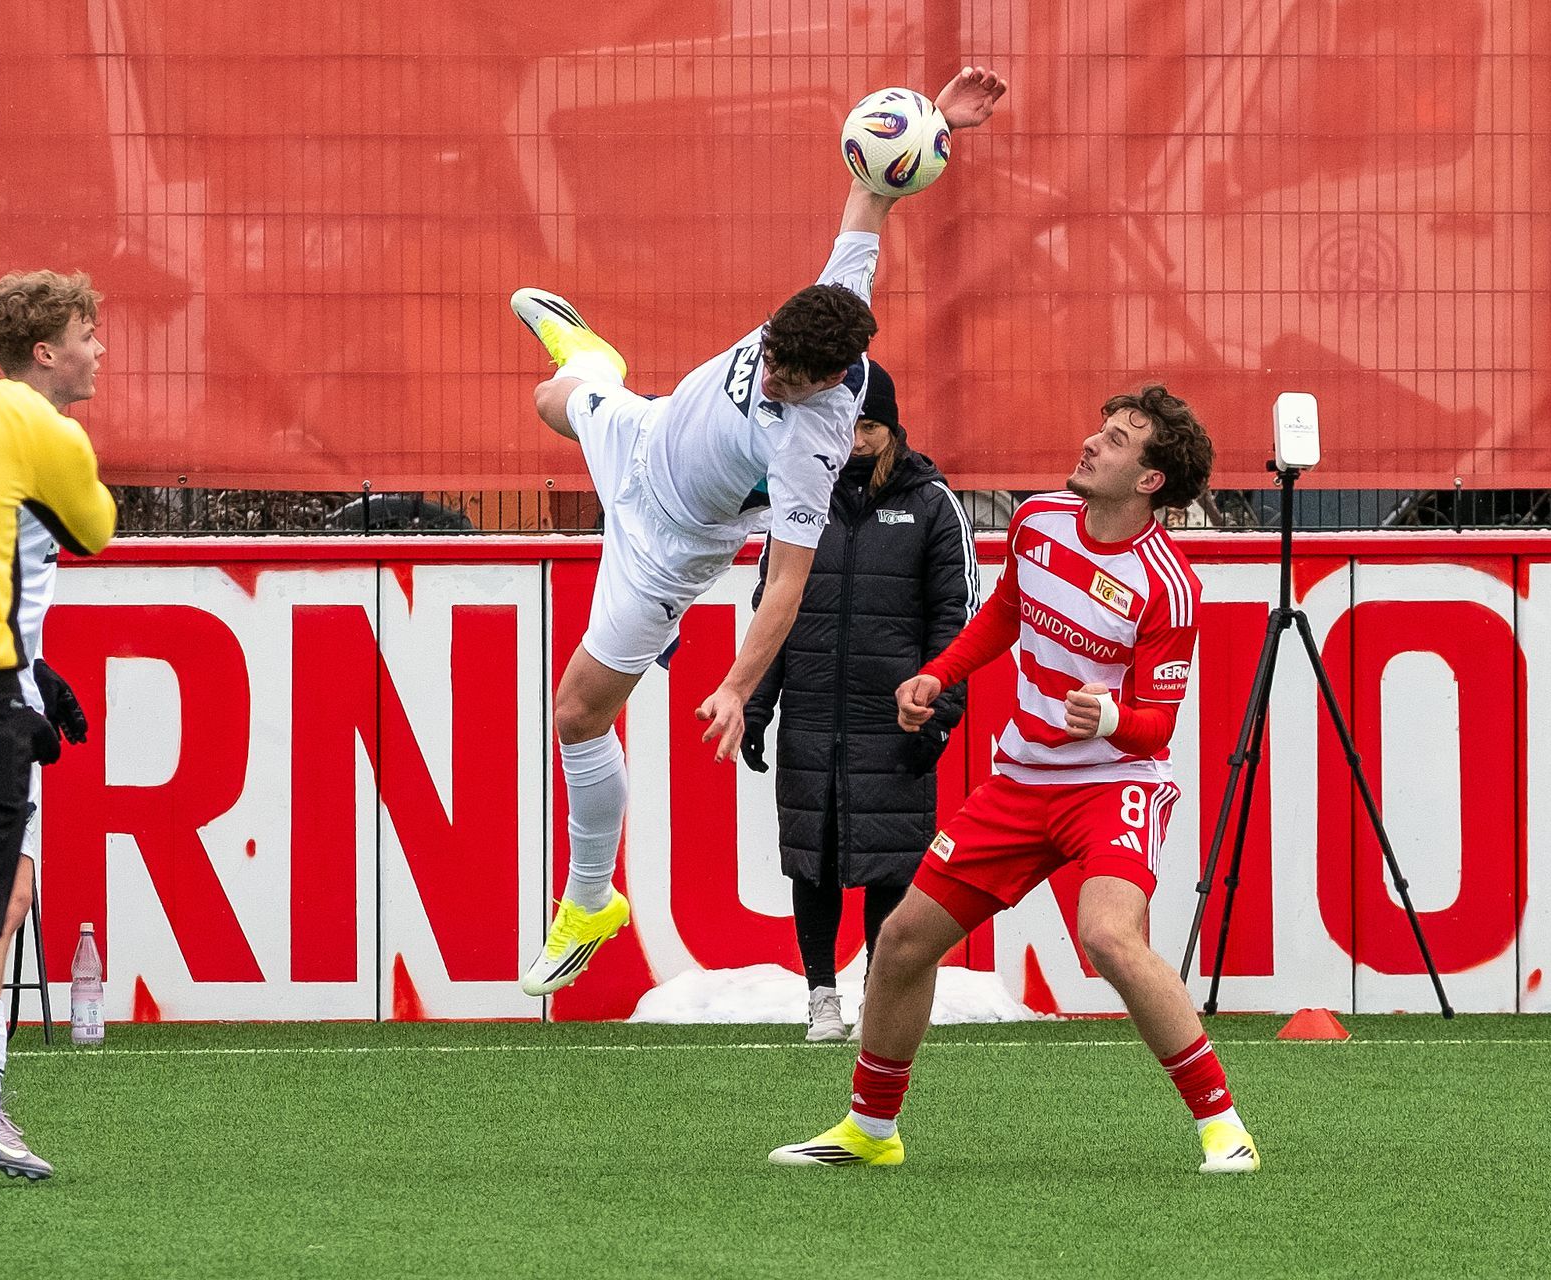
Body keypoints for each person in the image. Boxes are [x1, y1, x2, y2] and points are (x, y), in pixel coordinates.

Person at [508, 68, 1008, 997]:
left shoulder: (814, 446)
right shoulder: (828, 302)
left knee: (576, 713)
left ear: (833, 381)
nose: (770, 376)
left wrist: (738, 686)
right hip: (649, 432)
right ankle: (597, 363)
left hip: (666, 546)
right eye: (770, 356)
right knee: (551, 397)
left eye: (786, 378)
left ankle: (590, 901)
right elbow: (873, 193)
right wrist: (936, 123)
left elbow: (786, 582)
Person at [769, 385, 1262, 1175]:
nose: (1093, 443)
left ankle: (1223, 1125)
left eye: (1118, 440)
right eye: (1100, 429)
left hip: (1113, 785)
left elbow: (1157, 728)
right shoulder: (1038, 520)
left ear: (1150, 481)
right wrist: (938, 674)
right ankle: (870, 1129)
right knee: (902, 941)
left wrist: (1110, 718)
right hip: (1022, 782)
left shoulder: (1168, 586)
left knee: (1108, 936)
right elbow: (1005, 611)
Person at [0, 212, 117, 1196]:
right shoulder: (16, 429)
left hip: (5, 676)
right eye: (88, 335)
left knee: (3, 900)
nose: (101, 350)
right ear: (45, 352)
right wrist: (20, 680)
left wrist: (39, 670)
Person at [739, 363, 976, 1041]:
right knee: (810, 859)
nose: (856, 439)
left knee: (891, 863)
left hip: (895, 719)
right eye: (848, 425)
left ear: (893, 428)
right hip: (812, 716)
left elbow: (956, 621)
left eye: (869, 426)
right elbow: (771, 615)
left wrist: (939, 715)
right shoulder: (799, 499)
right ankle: (821, 998)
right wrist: (756, 706)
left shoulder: (933, 504)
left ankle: (879, 993)